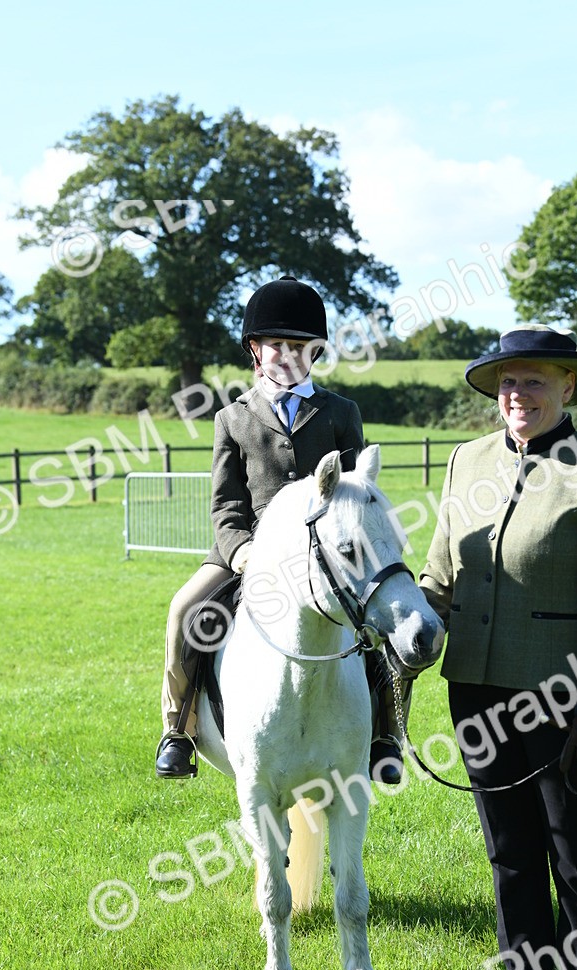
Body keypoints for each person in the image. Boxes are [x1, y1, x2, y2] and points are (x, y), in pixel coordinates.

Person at [419, 324, 577, 970]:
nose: (519, 395)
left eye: (535, 382)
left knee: (575, 858)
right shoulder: (466, 461)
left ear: (568, 387)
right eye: (508, 382)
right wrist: (403, 628)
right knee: (510, 857)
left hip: (563, 701)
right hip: (475, 693)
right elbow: (440, 575)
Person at [156, 275, 404, 784]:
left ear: (316, 352)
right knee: (185, 609)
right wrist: (241, 551)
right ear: (255, 349)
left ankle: (385, 735)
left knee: (379, 620)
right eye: (277, 346)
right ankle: (178, 728)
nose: (288, 355)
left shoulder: (340, 413)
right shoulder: (233, 418)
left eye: (300, 346)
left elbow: (355, 493)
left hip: (328, 553)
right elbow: (226, 503)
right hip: (246, 552)